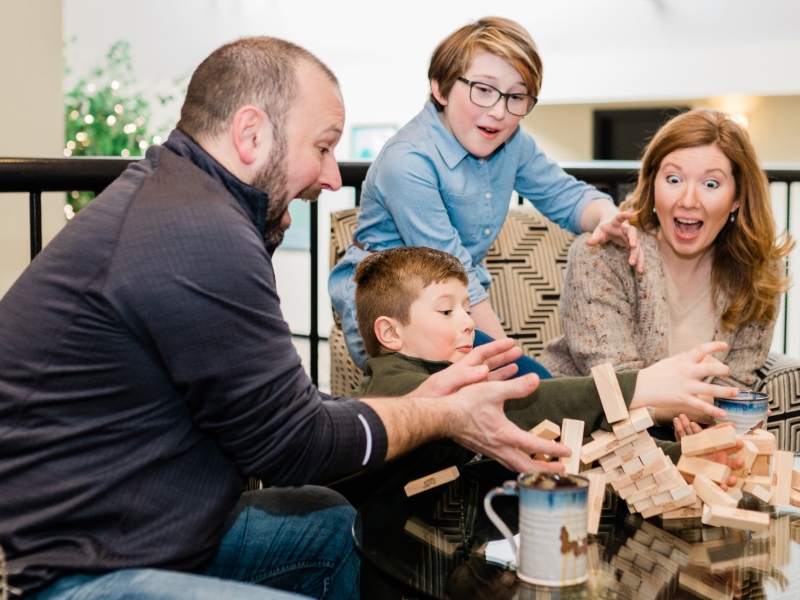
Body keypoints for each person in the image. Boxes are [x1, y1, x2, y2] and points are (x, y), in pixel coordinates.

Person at [0, 37, 596, 600]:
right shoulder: (198, 234)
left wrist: (433, 399)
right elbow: (294, 446)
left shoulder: (182, 200)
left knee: (333, 524)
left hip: (144, 529)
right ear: (251, 134)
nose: (335, 177)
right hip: (82, 571)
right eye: (322, 147)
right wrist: (441, 413)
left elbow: (279, 411)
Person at [329, 16, 644, 372]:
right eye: (483, 89)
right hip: (387, 304)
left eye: (517, 96)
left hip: (450, 297)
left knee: (523, 387)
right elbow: (452, 270)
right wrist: (509, 361)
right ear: (441, 88)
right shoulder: (407, 161)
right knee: (517, 384)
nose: (499, 111)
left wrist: (605, 216)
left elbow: (566, 195)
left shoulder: (514, 143)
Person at [338, 245, 742, 504]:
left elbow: (569, 438)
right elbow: (528, 407)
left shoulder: (455, 372)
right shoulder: (392, 390)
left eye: (466, 307)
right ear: (390, 333)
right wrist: (641, 386)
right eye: (446, 311)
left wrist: (686, 459)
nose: (467, 323)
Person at [539, 109, 794, 428]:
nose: (688, 200)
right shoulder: (604, 253)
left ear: (737, 198)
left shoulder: (759, 271)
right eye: (673, 179)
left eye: (711, 183)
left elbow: (735, 385)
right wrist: (701, 414)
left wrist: (704, 428)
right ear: (653, 184)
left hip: (677, 444)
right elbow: (618, 386)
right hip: (576, 431)